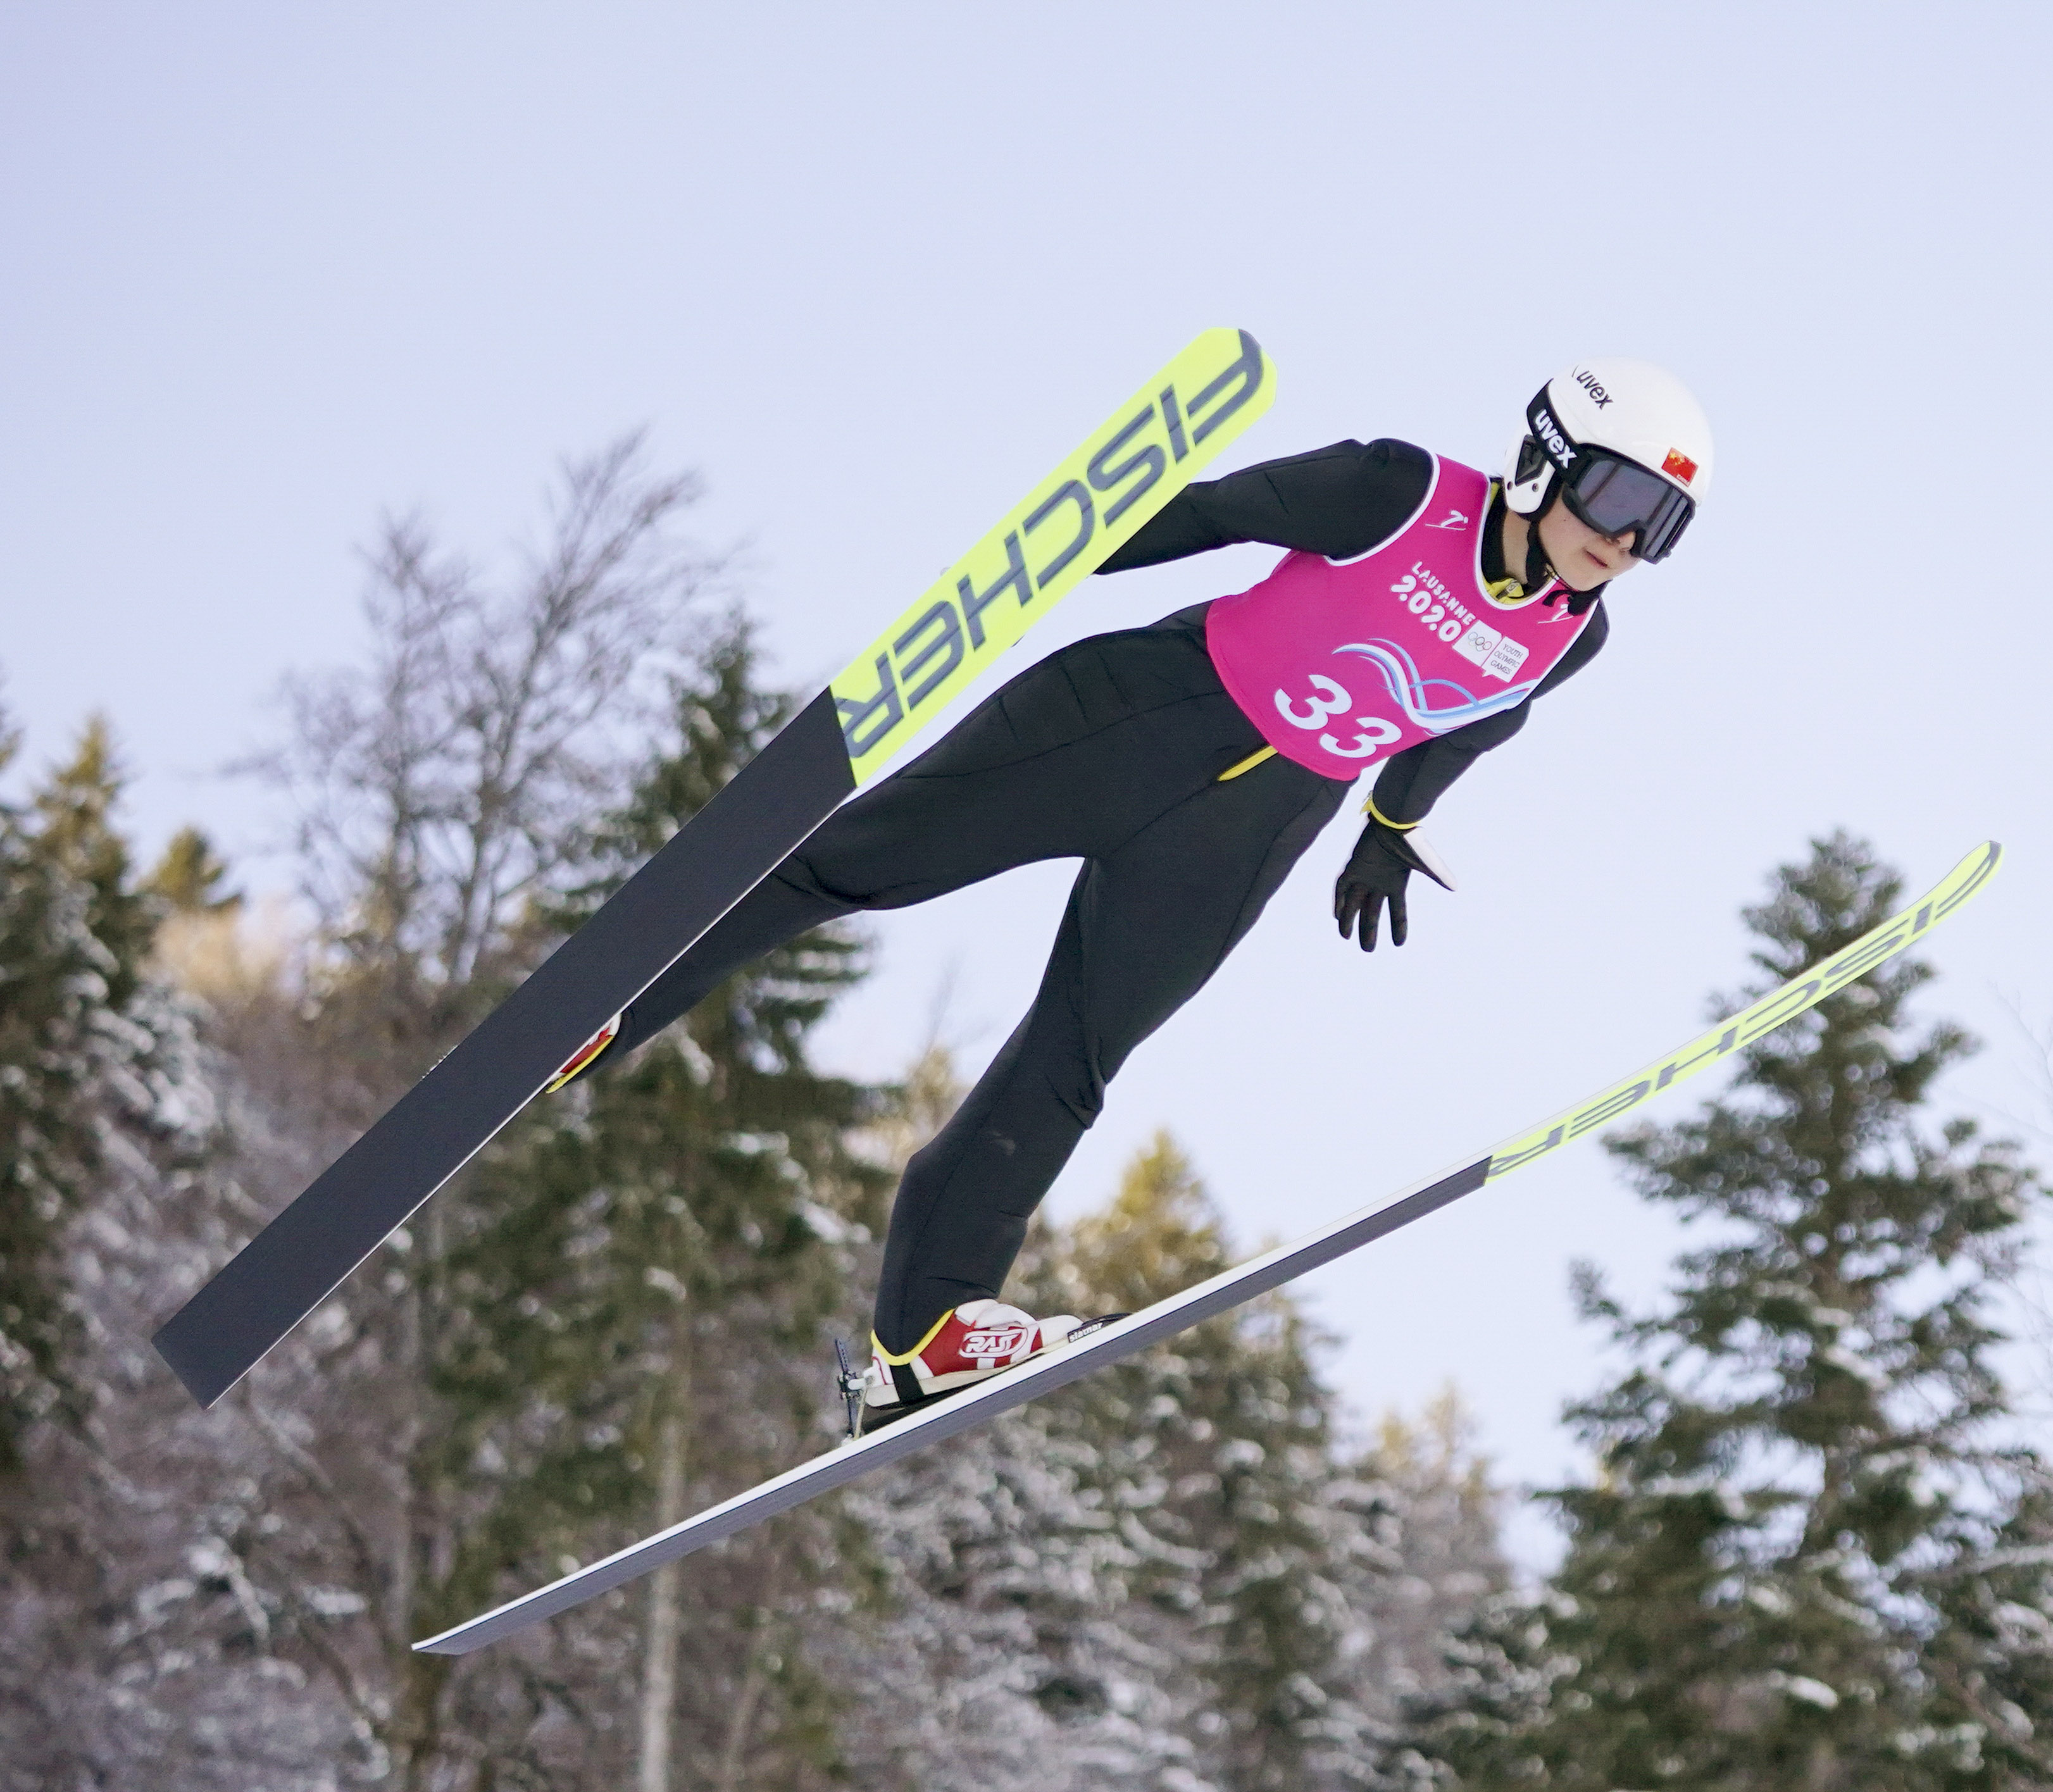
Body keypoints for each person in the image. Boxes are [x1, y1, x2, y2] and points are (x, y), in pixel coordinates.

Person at [545, 358, 1714, 1426]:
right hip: (1137, 716)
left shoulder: (1575, 637)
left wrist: (1390, 826)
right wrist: (1056, 553)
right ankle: (606, 1005)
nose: (1625, 542)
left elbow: (1466, 727)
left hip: (1251, 830)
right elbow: (1208, 514)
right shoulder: (1399, 493)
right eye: (1617, 501)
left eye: (1660, 527)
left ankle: (924, 1339)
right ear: (1545, 459)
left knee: (1077, 1057)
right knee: (860, 862)